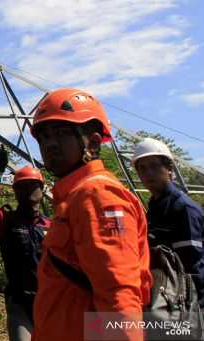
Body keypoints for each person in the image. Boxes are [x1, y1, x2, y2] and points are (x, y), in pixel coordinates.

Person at [30, 88, 152, 341]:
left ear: (93, 143)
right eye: (43, 136)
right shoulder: (74, 197)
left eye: (62, 133)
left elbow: (118, 295)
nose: (50, 143)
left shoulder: (97, 195)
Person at [132, 137, 204, 340]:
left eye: (154, 167)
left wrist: (181, 312)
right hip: (171, 303)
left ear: (169, 169)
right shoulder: (156, 205)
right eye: (142, 168)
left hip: (196, 306)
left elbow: (193, 267)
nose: (148, 174)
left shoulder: (183, 208)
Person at [0, 147, 50, 341]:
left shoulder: (52, 225)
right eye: (22, 187)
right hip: (20, 301)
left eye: (33, 186)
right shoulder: (7, 221)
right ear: (15, 191)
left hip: (50, 301)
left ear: (42, 189)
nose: (28, 190)